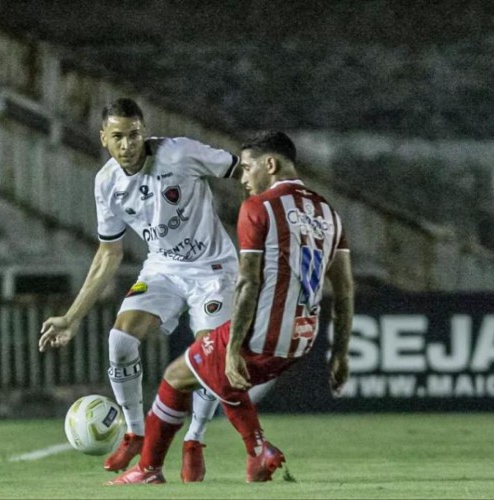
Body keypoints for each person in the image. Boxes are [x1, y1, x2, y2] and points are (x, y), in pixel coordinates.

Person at [39, 97, 268, 481]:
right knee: (120, 340)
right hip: (162, 268)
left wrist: (255, 228)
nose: (128, 145)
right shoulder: (106, 183)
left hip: (213, 270)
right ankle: (135, 432)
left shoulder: (179, 153)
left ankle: (194, 440)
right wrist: (71, 317)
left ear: (144, 132)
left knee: (208, 359)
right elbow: (108, 254)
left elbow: (241, 171)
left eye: (134, 135)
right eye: (118, 137)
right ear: (103, 139)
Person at [106, 130, 354, 485]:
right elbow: (344, 289)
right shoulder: (327, 212)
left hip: (262, 333)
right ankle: (252, 456)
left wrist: (234, 346)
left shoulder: (259, 208)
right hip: (300, 341)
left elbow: (249, 281)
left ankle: (149, 470)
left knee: (177, 377)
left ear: (270, 165)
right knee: (219, 378)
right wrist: (340, 354)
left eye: (249, 168)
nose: (244, 178)